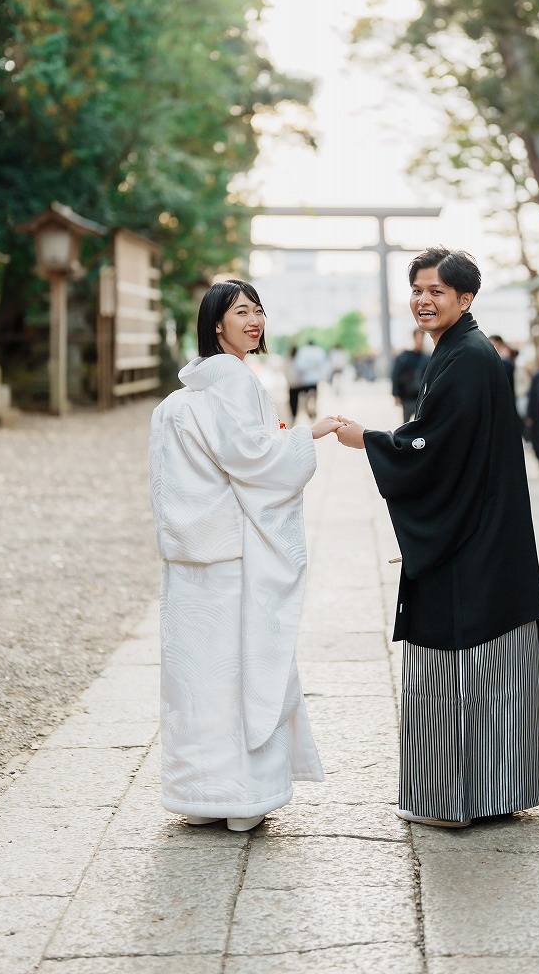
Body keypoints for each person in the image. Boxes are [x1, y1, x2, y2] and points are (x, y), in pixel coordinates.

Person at [334, 246, 539, 828]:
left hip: (467, 544)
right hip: (490, 536)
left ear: (466, 298)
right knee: (496, 678)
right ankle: (499, 788)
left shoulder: (465, 358)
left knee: (455, 673)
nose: (424, 300)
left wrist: (373, 440)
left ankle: (453, 800)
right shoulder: (468, 352)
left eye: (436, 291)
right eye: (417, 290)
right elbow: (443, 437)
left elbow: (432, 445)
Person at [148, 281, 339, 832]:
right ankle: (244, 798)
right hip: (231, 557)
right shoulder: (235, 381)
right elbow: (254, 459)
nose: (253, 320)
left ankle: (200, 795)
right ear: (216, 325)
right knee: (243, 668)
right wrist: (307, 435)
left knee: (196, 677)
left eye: (257, 310)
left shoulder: (182, 397)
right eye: (240, 312)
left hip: (191, 556)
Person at [391, 328, 430, 423]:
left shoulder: (426, 358)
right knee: (406, 424)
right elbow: (396, 375)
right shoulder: (404, 357)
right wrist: (396, 394)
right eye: (418, 337)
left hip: (420, 397)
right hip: (407, 396)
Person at [294, 340, 329, 421]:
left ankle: (307, 409)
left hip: (305, 379)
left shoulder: (302, 351)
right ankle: (313, 408)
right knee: (314, 395)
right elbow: (323, 365)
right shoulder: (319, 351)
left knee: (306, 396)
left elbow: (299, 366)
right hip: (314, 379)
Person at [283, 343, 302, 422]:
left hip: (292, 384)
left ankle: (293, 414)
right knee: (295, 400)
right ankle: (294, 414)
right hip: (295, 384)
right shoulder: (296, 361)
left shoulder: (289, 360)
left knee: (292, 400)